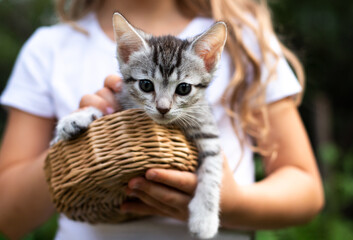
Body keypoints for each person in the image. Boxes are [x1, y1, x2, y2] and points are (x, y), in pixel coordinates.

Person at [0, 0, 324, 239]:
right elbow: (7, 216)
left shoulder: (247, 39)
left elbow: (306, 189)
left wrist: (234, 203)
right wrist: (75, 150)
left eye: (182, 89)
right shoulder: (49, 50)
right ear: (125, 56)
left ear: (208, 62)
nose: (164, 106)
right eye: (147, 86)